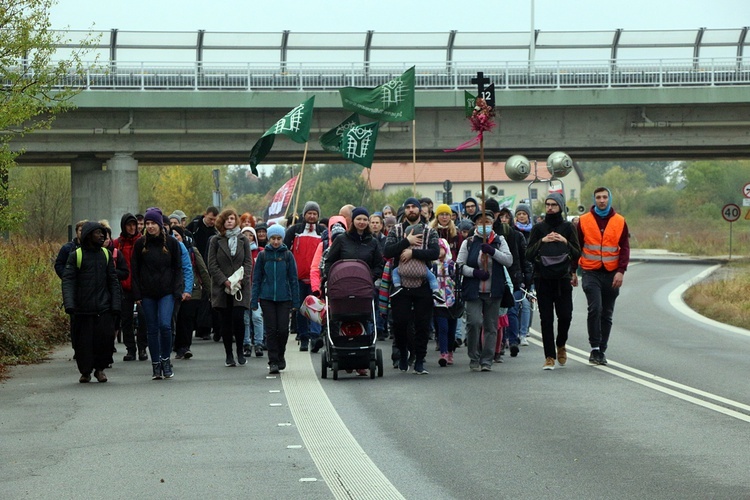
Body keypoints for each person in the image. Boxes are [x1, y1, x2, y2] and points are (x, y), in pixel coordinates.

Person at [383, 197, 440, 375]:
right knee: (400, 323)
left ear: (419, 210)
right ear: (404, 211)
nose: (410, 210)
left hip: (422, 283)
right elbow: (387, 252)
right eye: (407, 207)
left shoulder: (430, 231)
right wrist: (406, 242)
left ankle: (420, 360)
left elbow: (434, 252)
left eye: (413, 207)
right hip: (401, 284)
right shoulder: (396, 230)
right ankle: (402, 352)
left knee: (422, 325)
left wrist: (413, 252)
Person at [525, 193, 580, 370]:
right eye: (547, 204)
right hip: (543, 278)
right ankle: (549, 356)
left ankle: (561, 344)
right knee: (546, 319)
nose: (549, 208)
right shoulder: (539, 228)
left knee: (565, 316)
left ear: (560, 207)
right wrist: (542, 241)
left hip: (563, 278)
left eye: (554, 205)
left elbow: (578, 253)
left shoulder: (568, 227)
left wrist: (564, 240)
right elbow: (528, 254)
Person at [62, 221, 122, 383]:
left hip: (104, 308)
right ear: (89, 235)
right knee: (83, 344)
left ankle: (100, 369)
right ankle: (86, 371)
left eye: (103, 233)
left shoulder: (106, 254)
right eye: (98, 233)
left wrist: (116, 305)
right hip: (83, 310)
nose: (102, 235)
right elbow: (68, 281)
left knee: (104, 341)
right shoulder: (76, 255)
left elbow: (113, 282)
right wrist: (70, 304)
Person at [577, 187, 630, 366]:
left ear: (610, 199)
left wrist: (621, 271)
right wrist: (572, 271)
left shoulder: (620, 221)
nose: (602, 200)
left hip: (612, 274)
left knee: (607, 313)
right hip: (590, 272)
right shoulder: (584, 221)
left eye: (605, 197)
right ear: (594, 199)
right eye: (598, 197)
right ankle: (594, 348)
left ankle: (603, 348)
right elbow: (576, 246)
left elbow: (625, 248)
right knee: (595, 308)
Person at [131, 207, 184, 380]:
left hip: (167, 292)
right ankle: (155, 365)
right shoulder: (140, 244)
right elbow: (135, 270)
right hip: (147, 293)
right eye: (147, 223)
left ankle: (166, 360)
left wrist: (178, 290)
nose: (150, 226)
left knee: (165, 325)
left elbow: (178, 267)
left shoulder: (171, 243)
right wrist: (137, 294)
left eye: (153, 223)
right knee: (151, 329)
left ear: (160, 225)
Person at [457, 209, 513, 372]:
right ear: (475, 225)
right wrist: (474, 272)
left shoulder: (499, 240)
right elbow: (459, 266)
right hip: (473, 291)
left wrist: (492, 251)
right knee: (474, 323)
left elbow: (508, 260)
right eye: (480, 222)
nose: (484, 225)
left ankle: (487, 360)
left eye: (487, 222)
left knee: (491, 326)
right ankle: (474, 357)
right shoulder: (468, 243)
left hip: (493, 291)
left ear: (492, 224)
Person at [251, 224, 300, 375]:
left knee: (283, 330)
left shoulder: (287, 255)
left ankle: (281, 355)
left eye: (279, 238)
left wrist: (296, 301)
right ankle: (273, 360)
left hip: (284, 298)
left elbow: (293, 279)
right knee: (271, 330)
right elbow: (257, 279)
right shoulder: (263, 255)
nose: (276, 242)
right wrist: (254, 300)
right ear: (268, 238)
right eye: (273, 238)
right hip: (267, 298)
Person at [208, 208, 254, 367]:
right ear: (222, 221)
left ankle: (240, 351)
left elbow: (248, 262)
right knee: (225, 322)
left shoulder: (244, 240)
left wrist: (241, 280)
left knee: (239, 319)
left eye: (232, 219)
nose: (229, 221)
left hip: (240, 287)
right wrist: (225, 281)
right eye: (226, 219)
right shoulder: (215, 240)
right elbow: (212, 264)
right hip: (222, 288)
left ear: (236, 221)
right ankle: (229, 354)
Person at [283, 201, 325, 351]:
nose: (312, 216)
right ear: (304, 214)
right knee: (301, 308)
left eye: (315, 213)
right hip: (298, 278)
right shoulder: (294, 230)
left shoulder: (322, 232)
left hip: (316, 278)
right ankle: (304, 337)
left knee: (316, 308)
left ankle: (315, 337)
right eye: (309, 213)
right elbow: (284, 250)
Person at [171, 225, 210, 360]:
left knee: (186, 319)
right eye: (173, 235)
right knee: (177, 319)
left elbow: (203, 270)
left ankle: (185, 347)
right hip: (174, 290)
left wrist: (210, 292)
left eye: (177, 235)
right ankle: (177, 345)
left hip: (192, 291)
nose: (175, 238)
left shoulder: (192, 250)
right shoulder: (168, 250)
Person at [113, 213, 148, 361]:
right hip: (123, 287)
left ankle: (142, 348)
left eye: (134, 224)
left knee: (143, 318)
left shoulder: (143, 241)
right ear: (123, 226)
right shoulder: (117, 243)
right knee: (126, 319)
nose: (132, 227)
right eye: (129, 225)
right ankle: (130, 349)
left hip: (140, 286)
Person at [324, 207, 384, 284]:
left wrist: (370, 277)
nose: (362, 222)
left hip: (365, 285)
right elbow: (329, 262)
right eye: (358, 219)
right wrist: (335, 278)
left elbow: (379, 265)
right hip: (343, 284)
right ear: (353, 220)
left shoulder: (373, 242)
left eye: (365, 219)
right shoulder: (341, 239)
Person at [433, 238, 458, 367]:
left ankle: (450, 351)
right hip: (438, 301)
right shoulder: (432, 265)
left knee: (451, 329)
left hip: (452, 300)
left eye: (441, 248)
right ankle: (443, 353)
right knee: (442, 328)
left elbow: (458, 280)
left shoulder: (452, 264)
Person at [241, 225, 264, 358]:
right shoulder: (240, 252)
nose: (248, 238)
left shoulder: (260, 252)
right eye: (246, 235)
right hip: (244, 290)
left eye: (250, 235)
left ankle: (259, 343)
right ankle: (246, 343)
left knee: (257, 317)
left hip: (257, 290)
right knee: (245, 318)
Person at [514, 203, 534, 346]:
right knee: (517, 304)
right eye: (519, 214)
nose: (521, 216)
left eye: (524, 214)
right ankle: (515, 333)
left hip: (531, 272)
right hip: (517, 272)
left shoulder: (533, 231)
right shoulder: (513, 231)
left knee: (528, 303)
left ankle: (524, 331)